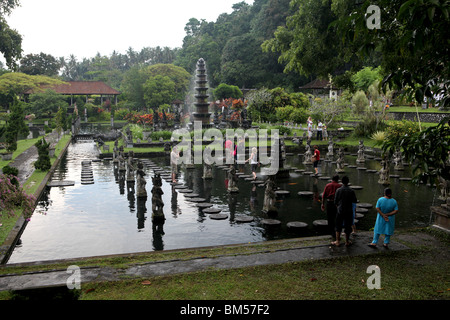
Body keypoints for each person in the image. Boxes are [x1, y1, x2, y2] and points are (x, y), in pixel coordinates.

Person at [332, 176, 357, 246]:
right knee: (348, 226)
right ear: (348, 182)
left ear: (341, 182)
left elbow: (335, 201)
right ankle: (347, 241)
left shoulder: (338, 190)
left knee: (338, 226)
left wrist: (338, 206)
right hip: (349, 210)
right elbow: (354, 200)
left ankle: (337, 241)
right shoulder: (351, 191)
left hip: (340, 210)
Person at [321, 175, 341, 241]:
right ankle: (337, 232)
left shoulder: (328, 185)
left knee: (330, 218)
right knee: (337, 218)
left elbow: (324, 196)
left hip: (329, 203)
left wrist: (322, 204)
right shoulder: (339, 186)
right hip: (337, 204)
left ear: (332, 179)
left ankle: (332, 233)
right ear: (338, 179)